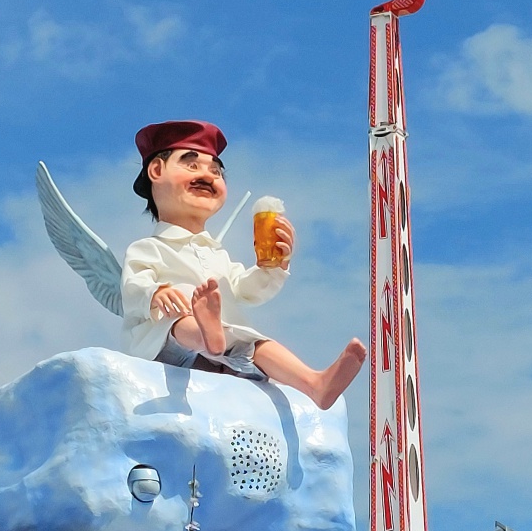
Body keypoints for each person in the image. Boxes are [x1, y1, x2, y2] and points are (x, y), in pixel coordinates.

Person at [121, 120, 366, 409]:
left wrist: (272, 266)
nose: (207, 175)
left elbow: (245, 290)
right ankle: (206, 333)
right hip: (167, 344)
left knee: (256, 342)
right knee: (180, 323)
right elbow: (132, 286)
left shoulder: (217, 256)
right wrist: (155, 293)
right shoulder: (149, 248)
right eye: (192, 165)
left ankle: (314, 384)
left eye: (216, 171)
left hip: (224, 347)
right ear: (157, 171)